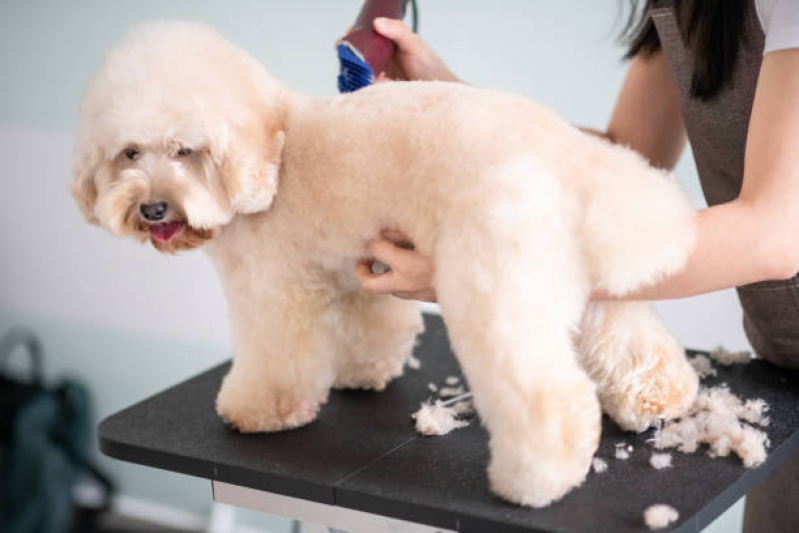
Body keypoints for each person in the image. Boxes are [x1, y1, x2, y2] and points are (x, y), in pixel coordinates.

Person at [353, 1, 799, 532]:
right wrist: (449, 98)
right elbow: (619, 160)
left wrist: (497, 267)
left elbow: (770, 235)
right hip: (786, 372)